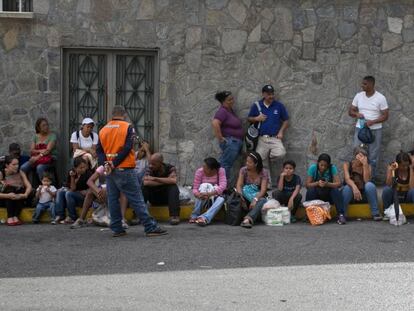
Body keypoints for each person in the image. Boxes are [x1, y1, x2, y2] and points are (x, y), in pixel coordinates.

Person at [97, 105, 167, 237]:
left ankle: (117, 228)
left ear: (112, 115)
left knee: (112, 199)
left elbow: (99, 150)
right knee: (137, 199)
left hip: (110, 171)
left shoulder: (103, 129)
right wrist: (114, 163)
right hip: (125, 168)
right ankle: (150, 227)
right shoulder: (127, 127)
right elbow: (128, 147)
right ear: (123, 115)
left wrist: (106, 163)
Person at [349, 76, 389, 179]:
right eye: (362, 83)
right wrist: (357, 114)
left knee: (373, 156)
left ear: (372, 85)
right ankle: (356, 178)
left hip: (375, 130)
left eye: (365, 84)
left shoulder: (381, 98)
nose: (362, 85)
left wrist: (373, 121)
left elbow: (385, 115)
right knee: (357, 152)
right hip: (360, 129)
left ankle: (370, 180)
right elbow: (350, 111)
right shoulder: (358, 96)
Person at [247, 84, 289, 184]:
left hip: (275, 138)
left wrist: (281, 131)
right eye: (269, 94)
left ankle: (269, 156)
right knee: (260, 161)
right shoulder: (257, 105)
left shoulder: (279, 106)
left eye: (272, 94)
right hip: (261, 138)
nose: (271, 96)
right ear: (263, 94)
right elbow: (249, 118)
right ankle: (267, 184)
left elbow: (286, 120)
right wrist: (257, 119)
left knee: (281, 153)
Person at [70, 165, 129, 229]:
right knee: (90, 192)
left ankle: (122, 219)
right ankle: (81, 220)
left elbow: (123, 185)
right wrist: (98, 191)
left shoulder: (121, 167)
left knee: (123, 191)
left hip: (119, 196)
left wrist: (106, 188)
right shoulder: (103, 167)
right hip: (106, 195)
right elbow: (89, 181)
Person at [342, 147, 382, 222]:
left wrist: (365, 165)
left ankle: (375, 213)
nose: (361, 158)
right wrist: (354, 187)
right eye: (359, 156)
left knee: (370, 185)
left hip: (363, 195)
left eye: (364, 156)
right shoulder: (347, 164)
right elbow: (347, 179)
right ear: (355, 156)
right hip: (351, 195)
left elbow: (367, 181)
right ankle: (343, 214)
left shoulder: (367, 165)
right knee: (348, 187)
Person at [211, 91, 243, 185]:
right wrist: (220, 138)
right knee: (225, 164)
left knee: (227, 164)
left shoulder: (230, 111)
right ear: (223, 101)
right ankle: (222, 187)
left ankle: (223, 185)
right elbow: (215, 123)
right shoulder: (223, 111)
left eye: (232, 99)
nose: (232, 101)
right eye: (229, 100)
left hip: (235, 142)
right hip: (231, 142)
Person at [305, 153, 345, 224]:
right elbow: (307, 185)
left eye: (325, 166)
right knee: (310, 190)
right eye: (321, 165)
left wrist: (327, 184)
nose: (323, 167)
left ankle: (341, 215)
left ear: (329, 165)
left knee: (335, 190)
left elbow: (339, 183)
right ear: (318, 163)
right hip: (317, 196)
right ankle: (309, 213)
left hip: (328, 195)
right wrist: (317, 183)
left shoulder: (332, 168)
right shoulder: (313, 168)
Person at [142, 153, 181, 225]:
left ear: (160, 163)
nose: (151, 166)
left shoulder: (170, 168)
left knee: (173, 187)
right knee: (144, 188)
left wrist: (154, 179)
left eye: (153, 164)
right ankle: (138, 215)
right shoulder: (149, 169)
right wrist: (166, 181)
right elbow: (146, 183)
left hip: (166, 198)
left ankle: (174, 216)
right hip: (153, 197)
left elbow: (173, 181)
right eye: (150, 163)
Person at [53, 157, 93, 224]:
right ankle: (60, 215)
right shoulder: (72, 173)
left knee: (68, 193)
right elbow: (72, 188)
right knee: (60, 192)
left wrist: (83, 191)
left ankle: (72, 217)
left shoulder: (88, 174)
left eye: (84, 167)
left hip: (84, 199)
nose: (83, 169)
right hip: (73, 196)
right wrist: (72, 177)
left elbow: (90, 189)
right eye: (80, 168)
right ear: (75, 168)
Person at [189, 157, 227, 226]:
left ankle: (205, 218)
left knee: (221, 199)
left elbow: (223, 186)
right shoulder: (199, 172)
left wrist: (209, 194)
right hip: (203, 196)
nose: (203, 168)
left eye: (205, 167)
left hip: (215, 196)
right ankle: (194, 215)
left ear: (212, 169)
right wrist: (199, 194)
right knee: (202, 187)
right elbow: (195, 188)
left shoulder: (221, 171)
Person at [237, 151, 269, 228]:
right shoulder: (243, 170)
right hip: (244, 196)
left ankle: (247, 220)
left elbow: (263, 190)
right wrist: (241, 197)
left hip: (257, 196)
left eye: (250, 162)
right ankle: (249, 216)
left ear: (256, 164)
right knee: (236, 199)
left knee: (263, 200)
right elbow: (239, 185)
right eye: (247, 161)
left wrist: (255, 199)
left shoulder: (263, 172)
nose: (247, 163)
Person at [20, 117, 57, 182]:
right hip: (36, 159)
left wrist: (37, 157)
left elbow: (48, 151)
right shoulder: (35, 136)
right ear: (38, 127)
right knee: (23, 168)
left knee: (39, 167)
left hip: (49, 159)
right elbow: (32, 150)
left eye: (47, 125)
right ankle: (27, 187)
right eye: (43, 125)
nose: (46, 127)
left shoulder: (52, 136)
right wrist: (40, 151)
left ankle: (46, 187)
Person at [0, 156, 32, 226]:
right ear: (7, 165)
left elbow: (29, 186)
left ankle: (15, 216)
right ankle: (10, 217)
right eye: (14, 164)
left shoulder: (20, 172)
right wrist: (8, 195)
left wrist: (25, 195)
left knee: (20, 189)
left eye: (17, 164)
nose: (16, 166)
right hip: (4, 199)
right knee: (11, 189)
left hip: (17, 197)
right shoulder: (1, 173)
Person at [382, 151, 414, 220]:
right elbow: (388, 184)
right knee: (386, 190)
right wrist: (391, 170)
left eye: (407, 165)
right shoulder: (393, 168)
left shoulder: (410, 169)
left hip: (407, 196)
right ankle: (387, 212)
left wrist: (411, 169)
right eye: (403, 165)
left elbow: (412, 188)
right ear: (397, 164)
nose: (405, 167)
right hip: (395, 195)